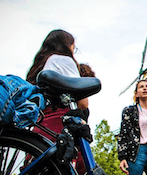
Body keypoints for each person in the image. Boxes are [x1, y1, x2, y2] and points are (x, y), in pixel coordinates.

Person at [25, 29, 91, 172]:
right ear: (68, 45)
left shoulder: (40, 65)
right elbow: (83, 103)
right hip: (59, 124)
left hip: (40, 124)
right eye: (74, 47)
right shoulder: (62, 60)